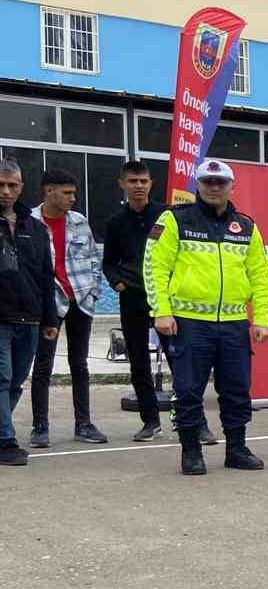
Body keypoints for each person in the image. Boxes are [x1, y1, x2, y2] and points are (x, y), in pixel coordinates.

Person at [143, 158, 268, 475]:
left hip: (234, 324)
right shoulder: (174, 219)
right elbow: (154, 267)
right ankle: (191, 451)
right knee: (188, 390)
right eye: (207, 182)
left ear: (231, 186)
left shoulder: (246, 226)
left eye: (220, 183)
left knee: (237, 390)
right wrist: (161, 311)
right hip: (189, 323)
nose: (214, 188)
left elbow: (259, 275)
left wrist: (261, 318)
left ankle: (237, 449)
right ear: (198, 185)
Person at [27, 167, 106, 446]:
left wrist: (92, 292)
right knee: (43, 365)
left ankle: (83, 424)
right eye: (67, 192)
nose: (73, 198)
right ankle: (40, 426)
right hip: (48, 304)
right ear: (49, 191)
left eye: (74, 193)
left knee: (80, 364)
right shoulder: (30, 222)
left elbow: (93, 258)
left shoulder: (79, 221)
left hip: (80, 302)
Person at [0, 158, 59, 466]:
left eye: (12, 185)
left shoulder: (35, 228)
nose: (6, 191)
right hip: (1, 319)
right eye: (1, 185)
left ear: (21, 188)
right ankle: (6, 442)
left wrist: (50, 318)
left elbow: (46, 276)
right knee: (2, 378)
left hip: (31, 318)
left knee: (16, 381)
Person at [101, 160, 165, 440]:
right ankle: (151, 422)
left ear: (151, 183)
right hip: (132, 299)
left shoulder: (166, 216)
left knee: (181, 360)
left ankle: (193, 422)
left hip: (165, 299)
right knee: (139, 363)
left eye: (143, 181)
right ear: (122, 184)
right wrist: (118, 283)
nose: (138, 186)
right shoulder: (115, 222)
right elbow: (109, 262)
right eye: (132, 181)